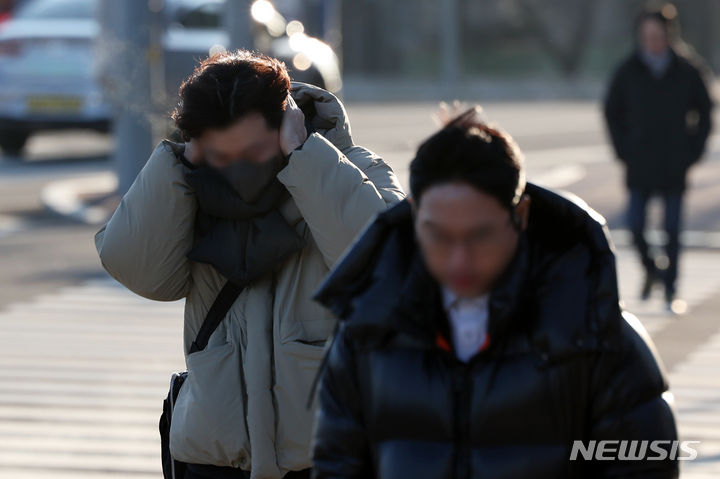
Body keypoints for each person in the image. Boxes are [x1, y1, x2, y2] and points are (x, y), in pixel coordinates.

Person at [311, 109, 678, 478]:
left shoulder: (595, 333)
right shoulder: (367, 330)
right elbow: (337, 464)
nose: (459, 259)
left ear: (521, 216)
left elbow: (645, 466)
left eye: (480, 235)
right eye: (438, 235)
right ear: (413, 217)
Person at [94, 50, 404, 479]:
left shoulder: (351, 168)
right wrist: (177, 163)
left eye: (256, 151)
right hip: (213, 457)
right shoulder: (191, 189)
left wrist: (304, 158)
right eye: (223, 156)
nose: (240, 172)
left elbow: (388, 267)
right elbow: (139, 269)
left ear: (287, 123)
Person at [604, 3, 713, 311]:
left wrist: (693, 151)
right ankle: (652, 271)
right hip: (639, 164)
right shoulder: (628, 70)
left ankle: (670, 288)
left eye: (657, 34)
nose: (651, 40)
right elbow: (612, 112)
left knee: (673, 231)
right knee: (635, 226)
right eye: (646, 34)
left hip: (674, 164)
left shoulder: (687, 70)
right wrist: (623, 149)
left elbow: (704, 113)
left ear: (669, 34)